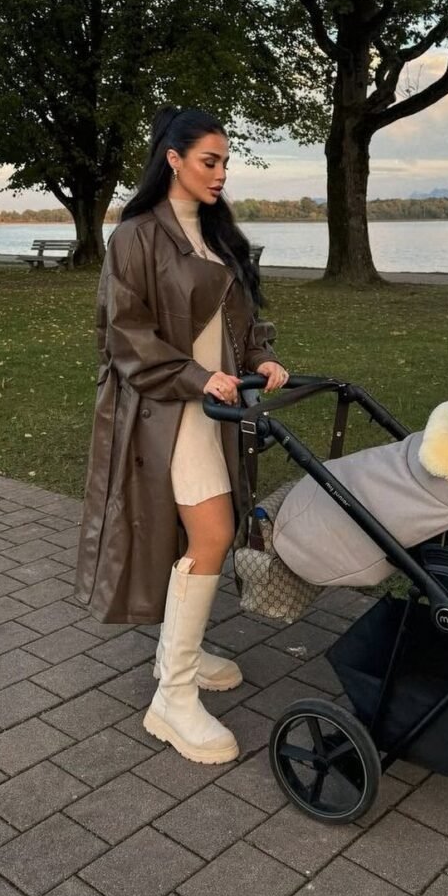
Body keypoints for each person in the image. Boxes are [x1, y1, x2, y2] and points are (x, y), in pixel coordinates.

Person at [75, 106, 288, 765]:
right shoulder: (135, 237)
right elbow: (126, 335)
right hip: (167, 408)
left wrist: (260, 359)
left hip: (215, 407)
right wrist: (198, 377)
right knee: (214, 533)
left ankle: (181, 654)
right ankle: (171, 697)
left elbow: (240, 320)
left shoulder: (218, 234)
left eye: (225, 163)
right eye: (209, 161)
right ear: (173, 159)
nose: (221, 174)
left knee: (201, 534)